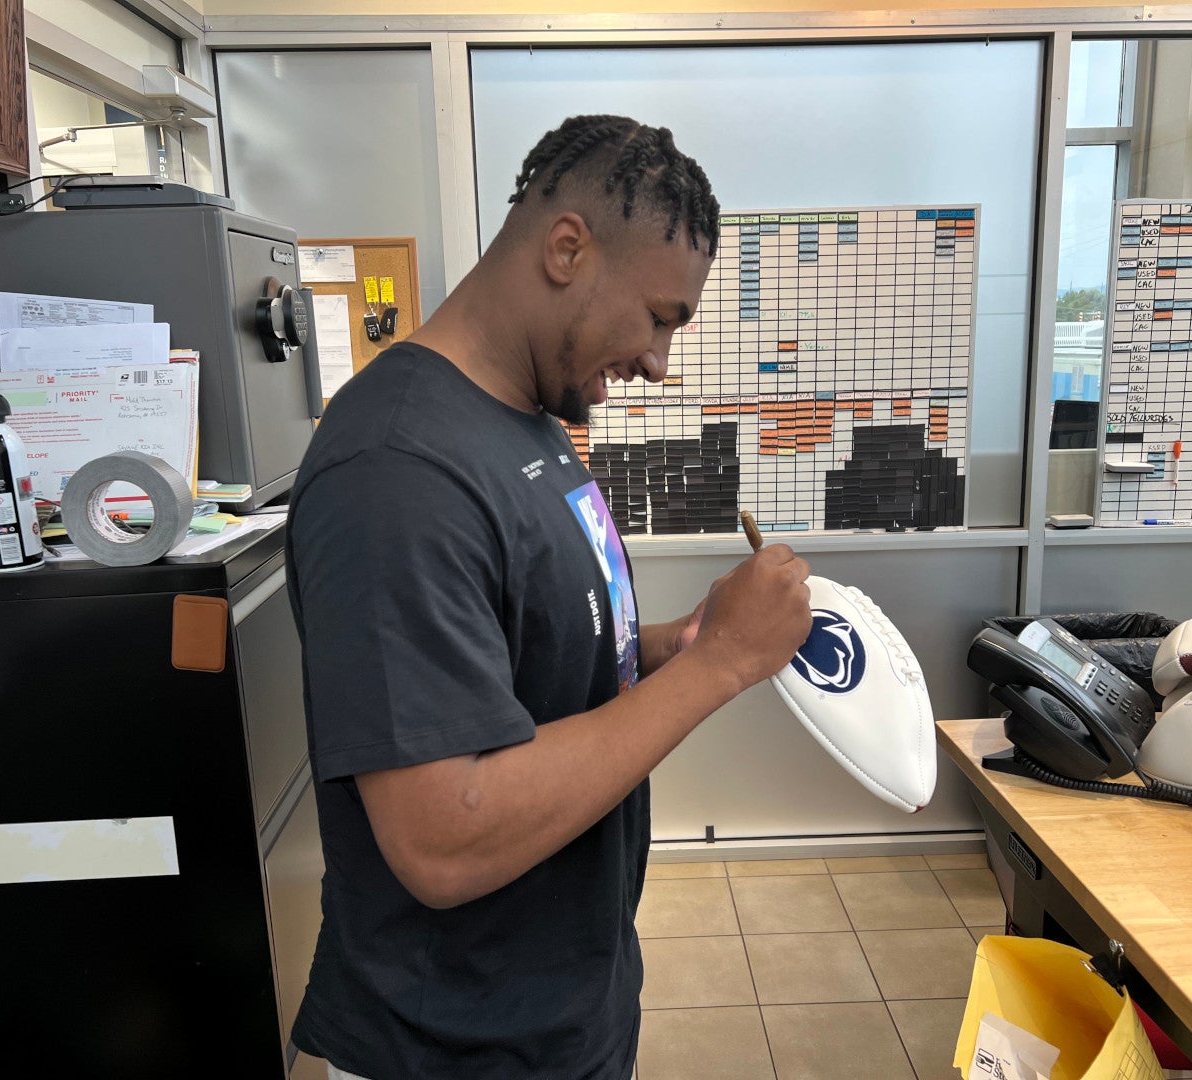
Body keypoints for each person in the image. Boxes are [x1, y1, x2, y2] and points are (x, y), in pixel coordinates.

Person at [286, 114, 813, 1080]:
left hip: (557, 1000)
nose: (659, 359)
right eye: (659, 317)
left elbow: (527, 660)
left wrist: (671, 646)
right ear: (567, 248)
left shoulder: (526, 421)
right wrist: (724, 667)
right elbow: (445, 834)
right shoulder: (396, 470)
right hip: (454, 1044)